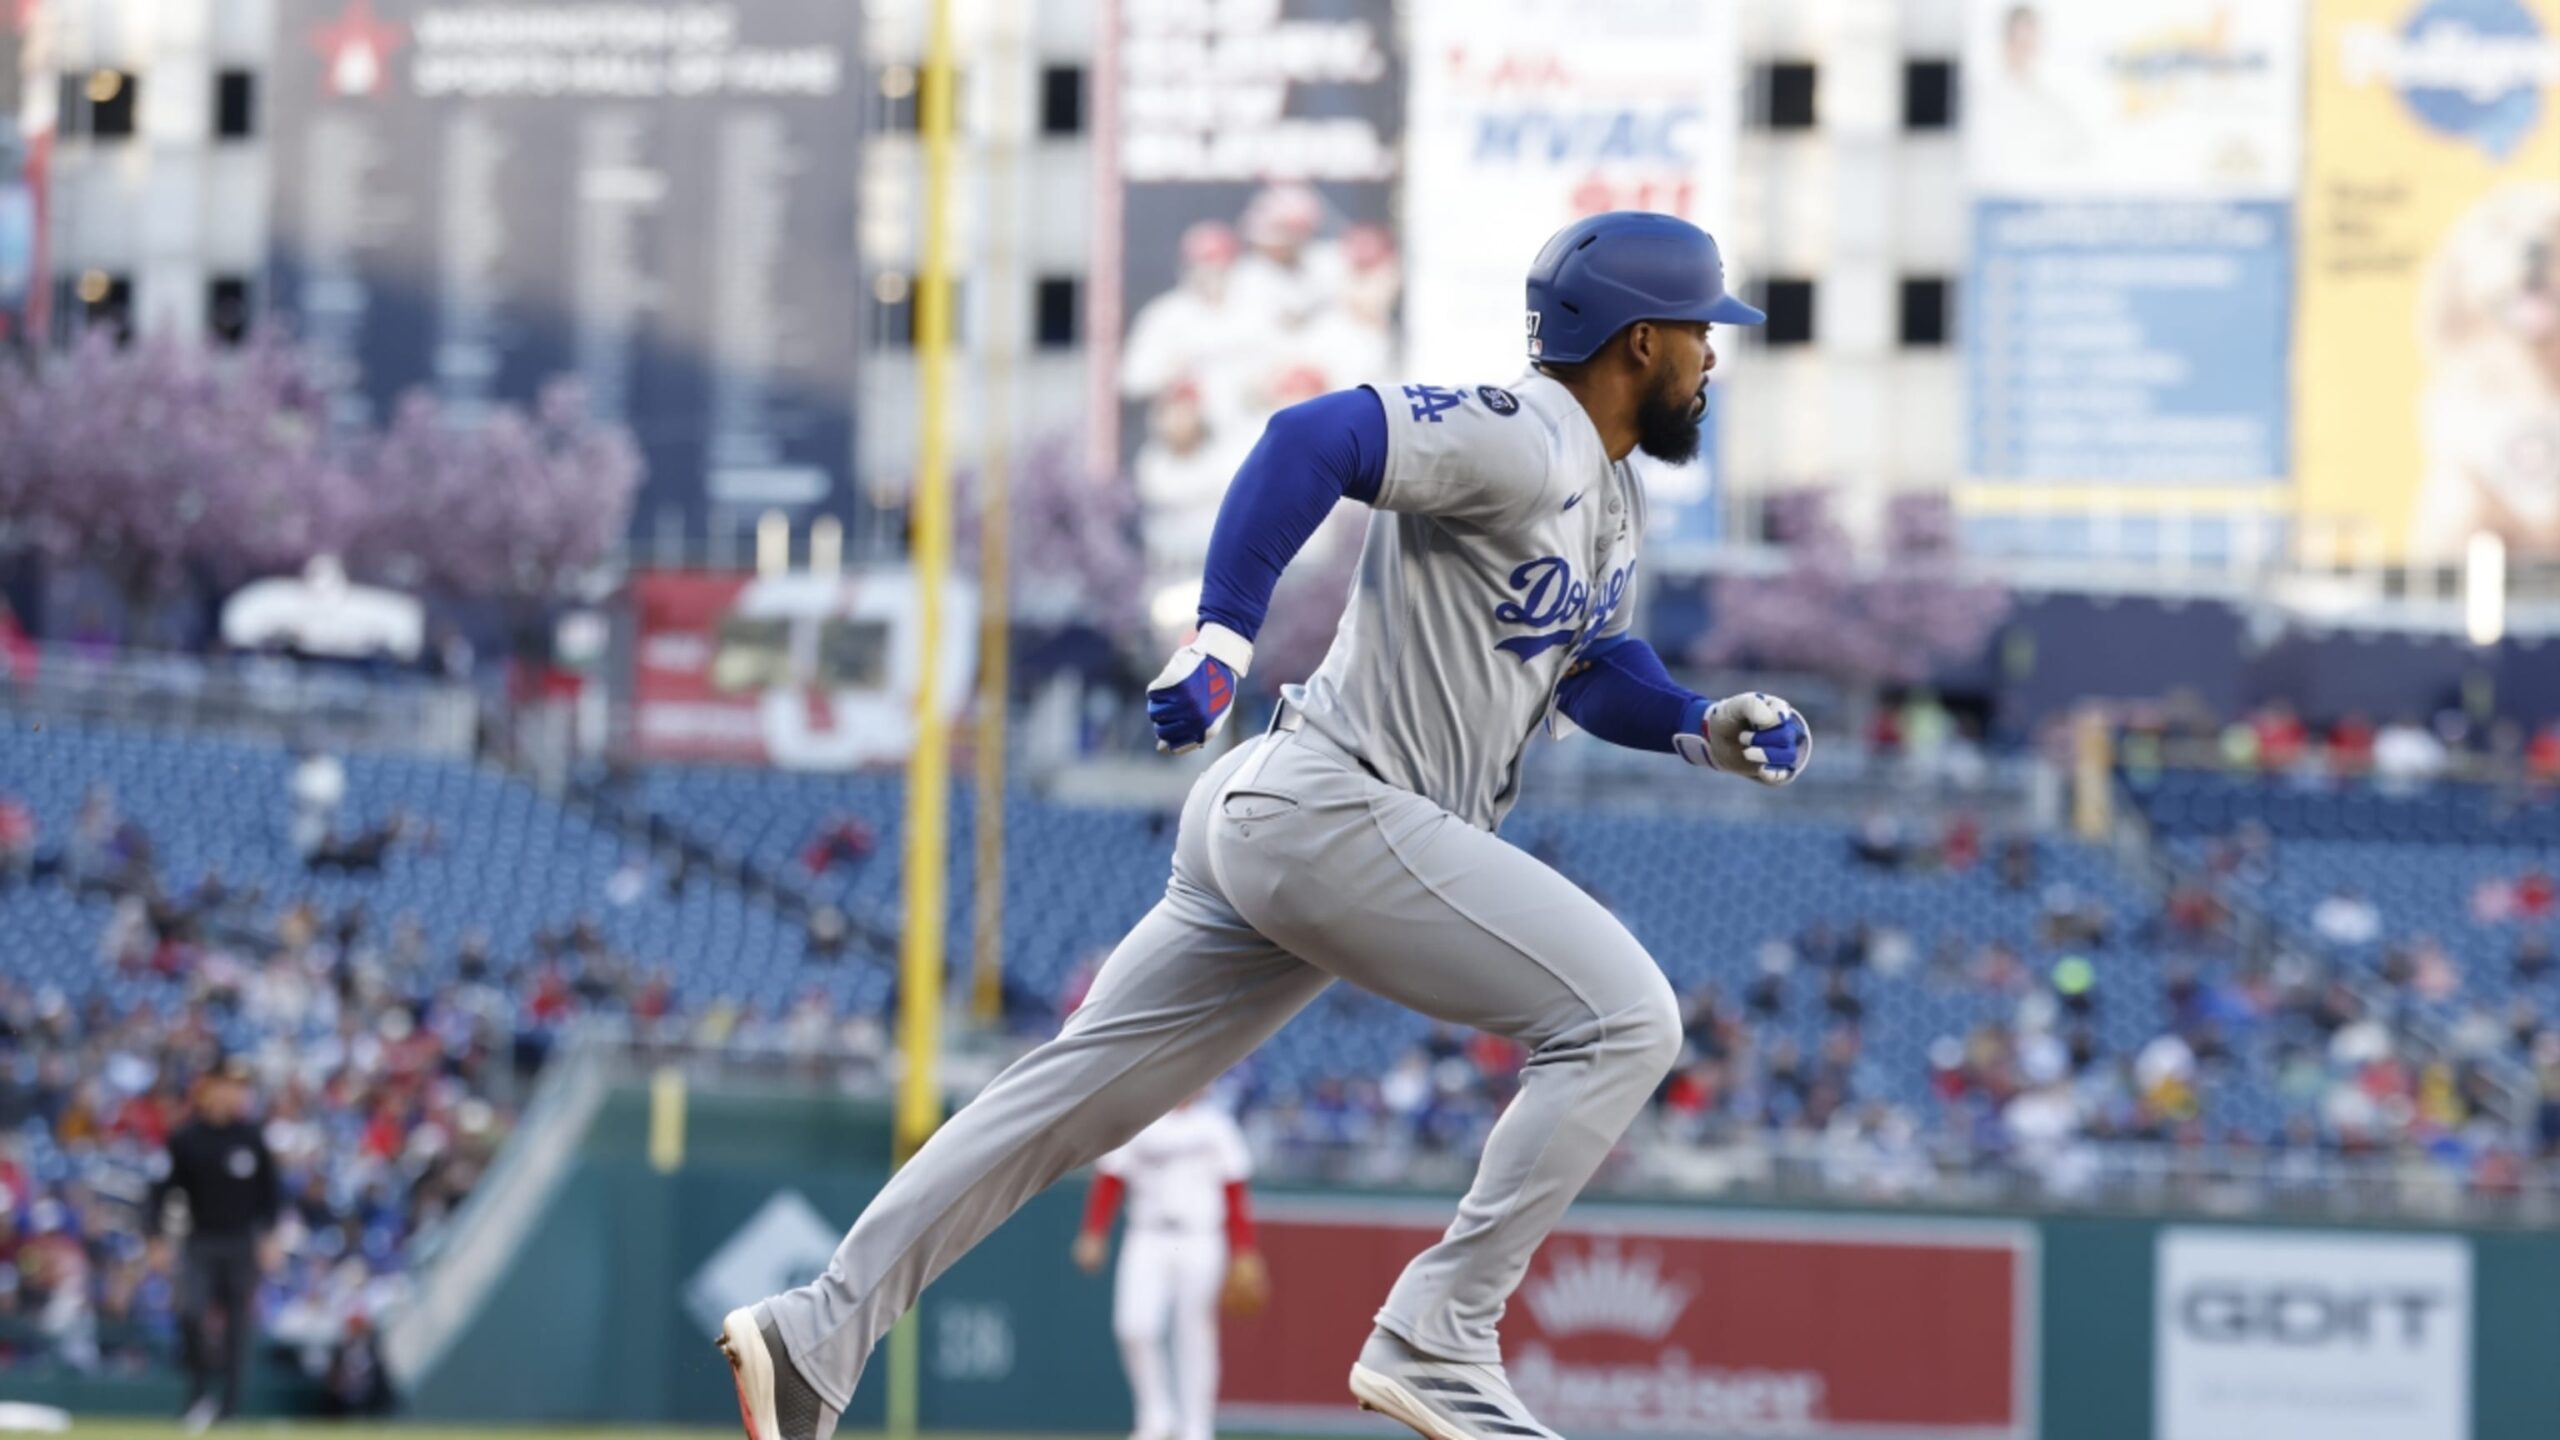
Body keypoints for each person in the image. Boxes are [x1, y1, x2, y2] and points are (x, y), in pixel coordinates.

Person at [716, 212, 1809, 1440]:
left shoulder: (1602, 489)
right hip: (1338, 807)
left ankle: (817, 1330)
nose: (1715, 358)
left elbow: (1590, 663)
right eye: (1703, 335)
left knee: (1063, 1103)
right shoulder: (1523, 437)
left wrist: (1698, 723)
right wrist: (1221, 634)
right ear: (1639, 340)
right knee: (1624, 1019)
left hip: (1294, 825)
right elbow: (1312, 435)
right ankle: (1439, 1336)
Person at [1071, 1093, 1267, 1440]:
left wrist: (1244, 1250)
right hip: (1147, 1235)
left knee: (1194, 1334)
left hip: (1201, 1236)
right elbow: (1111, 1179)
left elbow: (1235, 1191)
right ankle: (1156, 1417)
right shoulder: (1138, 1119)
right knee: (1133, 1326)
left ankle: (1197, 1428)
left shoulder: (1216, 1125)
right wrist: (1094, 1230)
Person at [148, 1058, 282, 1432]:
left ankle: (231, 1408)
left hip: (241, 1245)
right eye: (227, 1084)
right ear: (208, 1088)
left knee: (239, 1328)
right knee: (190, 1312)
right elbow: (161, 1191)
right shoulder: (186, 1138)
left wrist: (270, 1237)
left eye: (240, 1086)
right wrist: (156, 1237)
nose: (234, 1093)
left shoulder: (252, 1137)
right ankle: (198, 1395)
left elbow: (269, 1196)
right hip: (199, 1242)